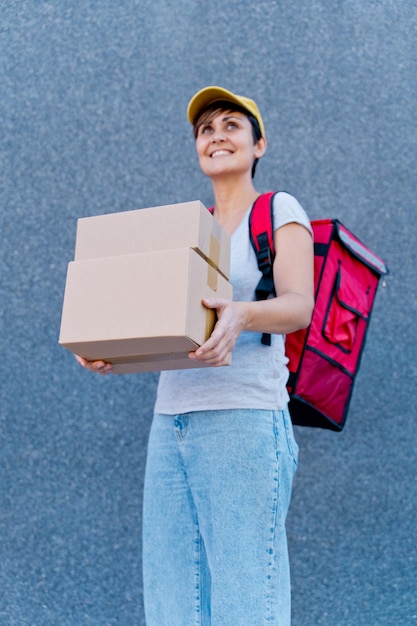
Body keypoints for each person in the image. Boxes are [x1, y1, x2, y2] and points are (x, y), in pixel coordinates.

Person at [76, 86, 314, 625]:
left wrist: (243, 314)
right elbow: (155, 324)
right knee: (173, 601)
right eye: (206, 130)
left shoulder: (277, 209)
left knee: (247, 597)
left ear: (259, 145)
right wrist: (105, 348)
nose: (217, 136)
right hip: (171, 423)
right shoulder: (189, 229)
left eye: (232, 125)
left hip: (244, 421)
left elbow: (300, 305)